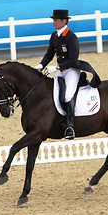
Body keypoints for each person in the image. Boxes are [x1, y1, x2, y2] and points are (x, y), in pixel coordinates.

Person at [34, 9, 89, 140]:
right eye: (53, 20)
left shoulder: (71, 36)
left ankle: (70, 126)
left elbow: (74, 59)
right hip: (60, 70)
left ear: (63, 21)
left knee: (68, 95)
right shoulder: (54, 36)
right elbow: (49, 54)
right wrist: (41, 66)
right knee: (52, 92)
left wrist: (58, 67)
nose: (53, 22)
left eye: (55, 20)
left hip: (71, 70)